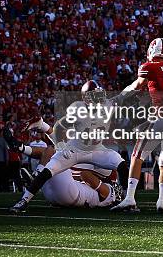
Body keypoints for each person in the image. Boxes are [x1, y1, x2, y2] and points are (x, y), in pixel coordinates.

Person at [10, 80, 125, 213]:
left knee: (50, 163)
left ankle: (25, 197)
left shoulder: (107, 105)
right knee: (51, 161)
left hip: (94, 151)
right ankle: (26, 194)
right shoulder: (78, 108)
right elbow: (60, 127)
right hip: (77, 149)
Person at [111, 38, 163, 214]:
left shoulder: (149, 67)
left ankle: (130, 198)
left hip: (160, 118)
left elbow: (136, 85)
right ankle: (161, 202)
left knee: (137, 156)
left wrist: (117, 98)